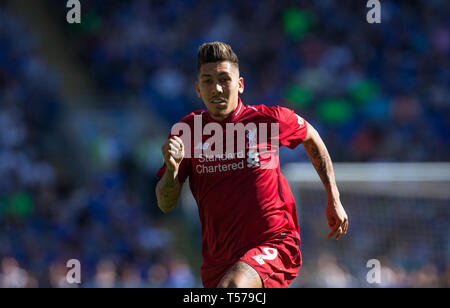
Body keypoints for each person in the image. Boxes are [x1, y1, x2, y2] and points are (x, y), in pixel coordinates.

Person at [155, 41, 348, 288]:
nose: (217, 88)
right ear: (197, 89)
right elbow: (165, 203)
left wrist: (333, 197)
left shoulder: (267, 120)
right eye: (207, 81)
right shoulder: (186, 132)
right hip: (218, 261)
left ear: (240, 84)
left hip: (274, 244)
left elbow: (311, 136)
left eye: (224, 79)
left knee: (233, 287)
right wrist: (171, 171)